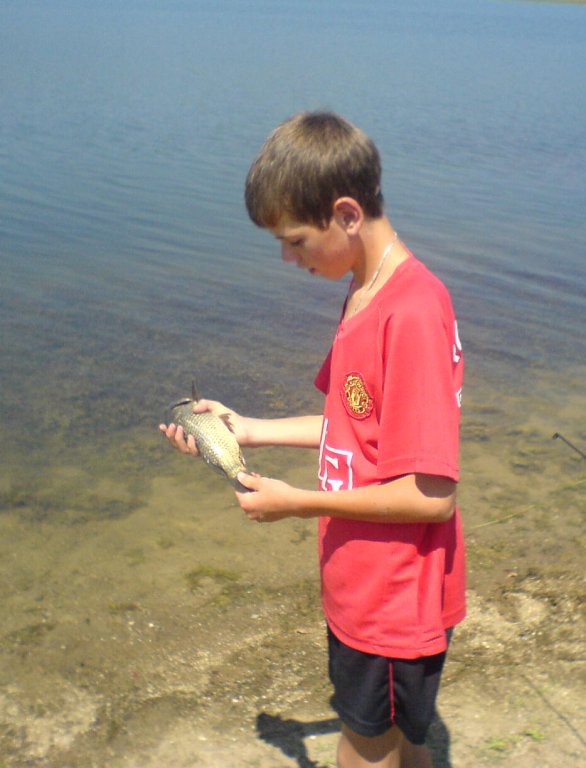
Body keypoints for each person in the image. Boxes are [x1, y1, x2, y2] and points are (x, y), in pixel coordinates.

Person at [160, 111, 465, 768]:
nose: (287, 258)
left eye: (295, 241)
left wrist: (296, 503)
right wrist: (249, 430)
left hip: (393, 598)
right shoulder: (365, 292)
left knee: (366, 749)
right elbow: (357, 429)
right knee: (399, 746)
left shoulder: (411, 312)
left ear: (347, 215)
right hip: (364, 586)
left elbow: (432, 494)